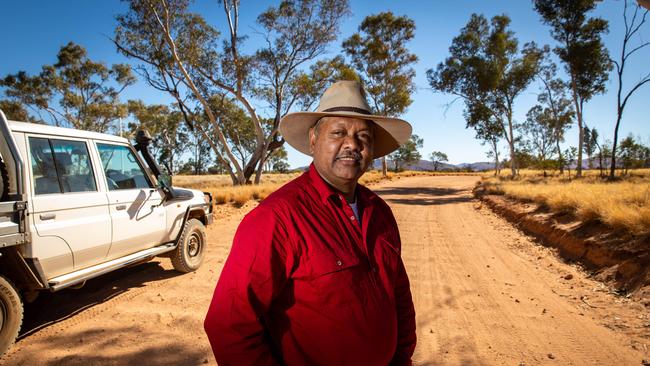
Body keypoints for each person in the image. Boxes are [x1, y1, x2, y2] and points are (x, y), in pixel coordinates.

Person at [204, 80, 416, 365]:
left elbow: (399, 295)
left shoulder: (380, 212)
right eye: (338, 132)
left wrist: (401, 357)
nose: (352, 144)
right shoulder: (276, 218)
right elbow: (228, 326)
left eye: (363, 136)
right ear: (314, 139)